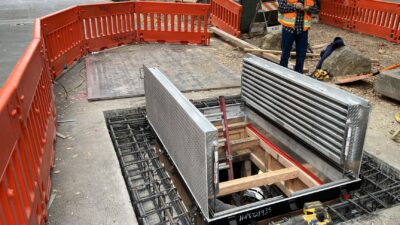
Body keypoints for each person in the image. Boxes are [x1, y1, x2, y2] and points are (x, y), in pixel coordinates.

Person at [278, 0, 318, 74]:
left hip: (303, 31)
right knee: (285, 54)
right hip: (288, 29)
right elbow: (281, 8)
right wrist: (295, 6)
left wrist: (308, 9)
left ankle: (298, 75)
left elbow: (316, 9)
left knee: (301, 56)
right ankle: (282, 74)